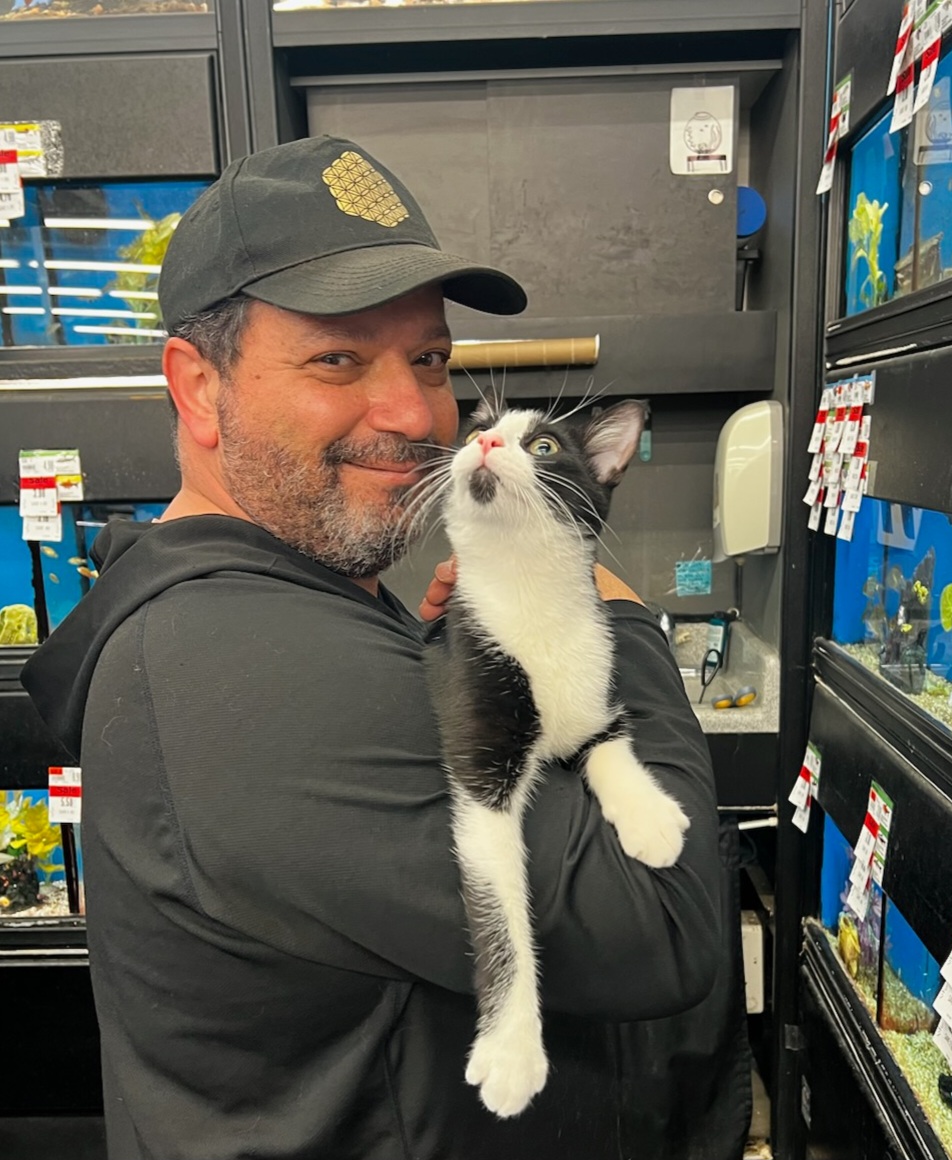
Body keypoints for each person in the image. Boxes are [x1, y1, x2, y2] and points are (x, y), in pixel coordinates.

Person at [22, 136, 724, 1160]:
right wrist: (605, 613)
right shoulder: (254, 669)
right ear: (197, 385)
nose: (412, 412)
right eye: (336, 358)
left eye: (430, 359)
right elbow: (663, 926)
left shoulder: (277, 607)